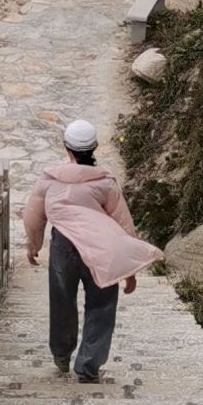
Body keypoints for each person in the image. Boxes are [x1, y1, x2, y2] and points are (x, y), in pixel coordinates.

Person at [22, 118, 163, 382]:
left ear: (67, 148)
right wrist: (129, 270)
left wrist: (33, 245)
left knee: (62, 302)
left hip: (63, 247)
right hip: (102, 249)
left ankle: (61, 355)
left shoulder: (49, 180)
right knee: (102, 304)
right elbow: (123, 225)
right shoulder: (105, 183)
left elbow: (33, 217)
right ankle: (88, 366)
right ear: (94, 147)